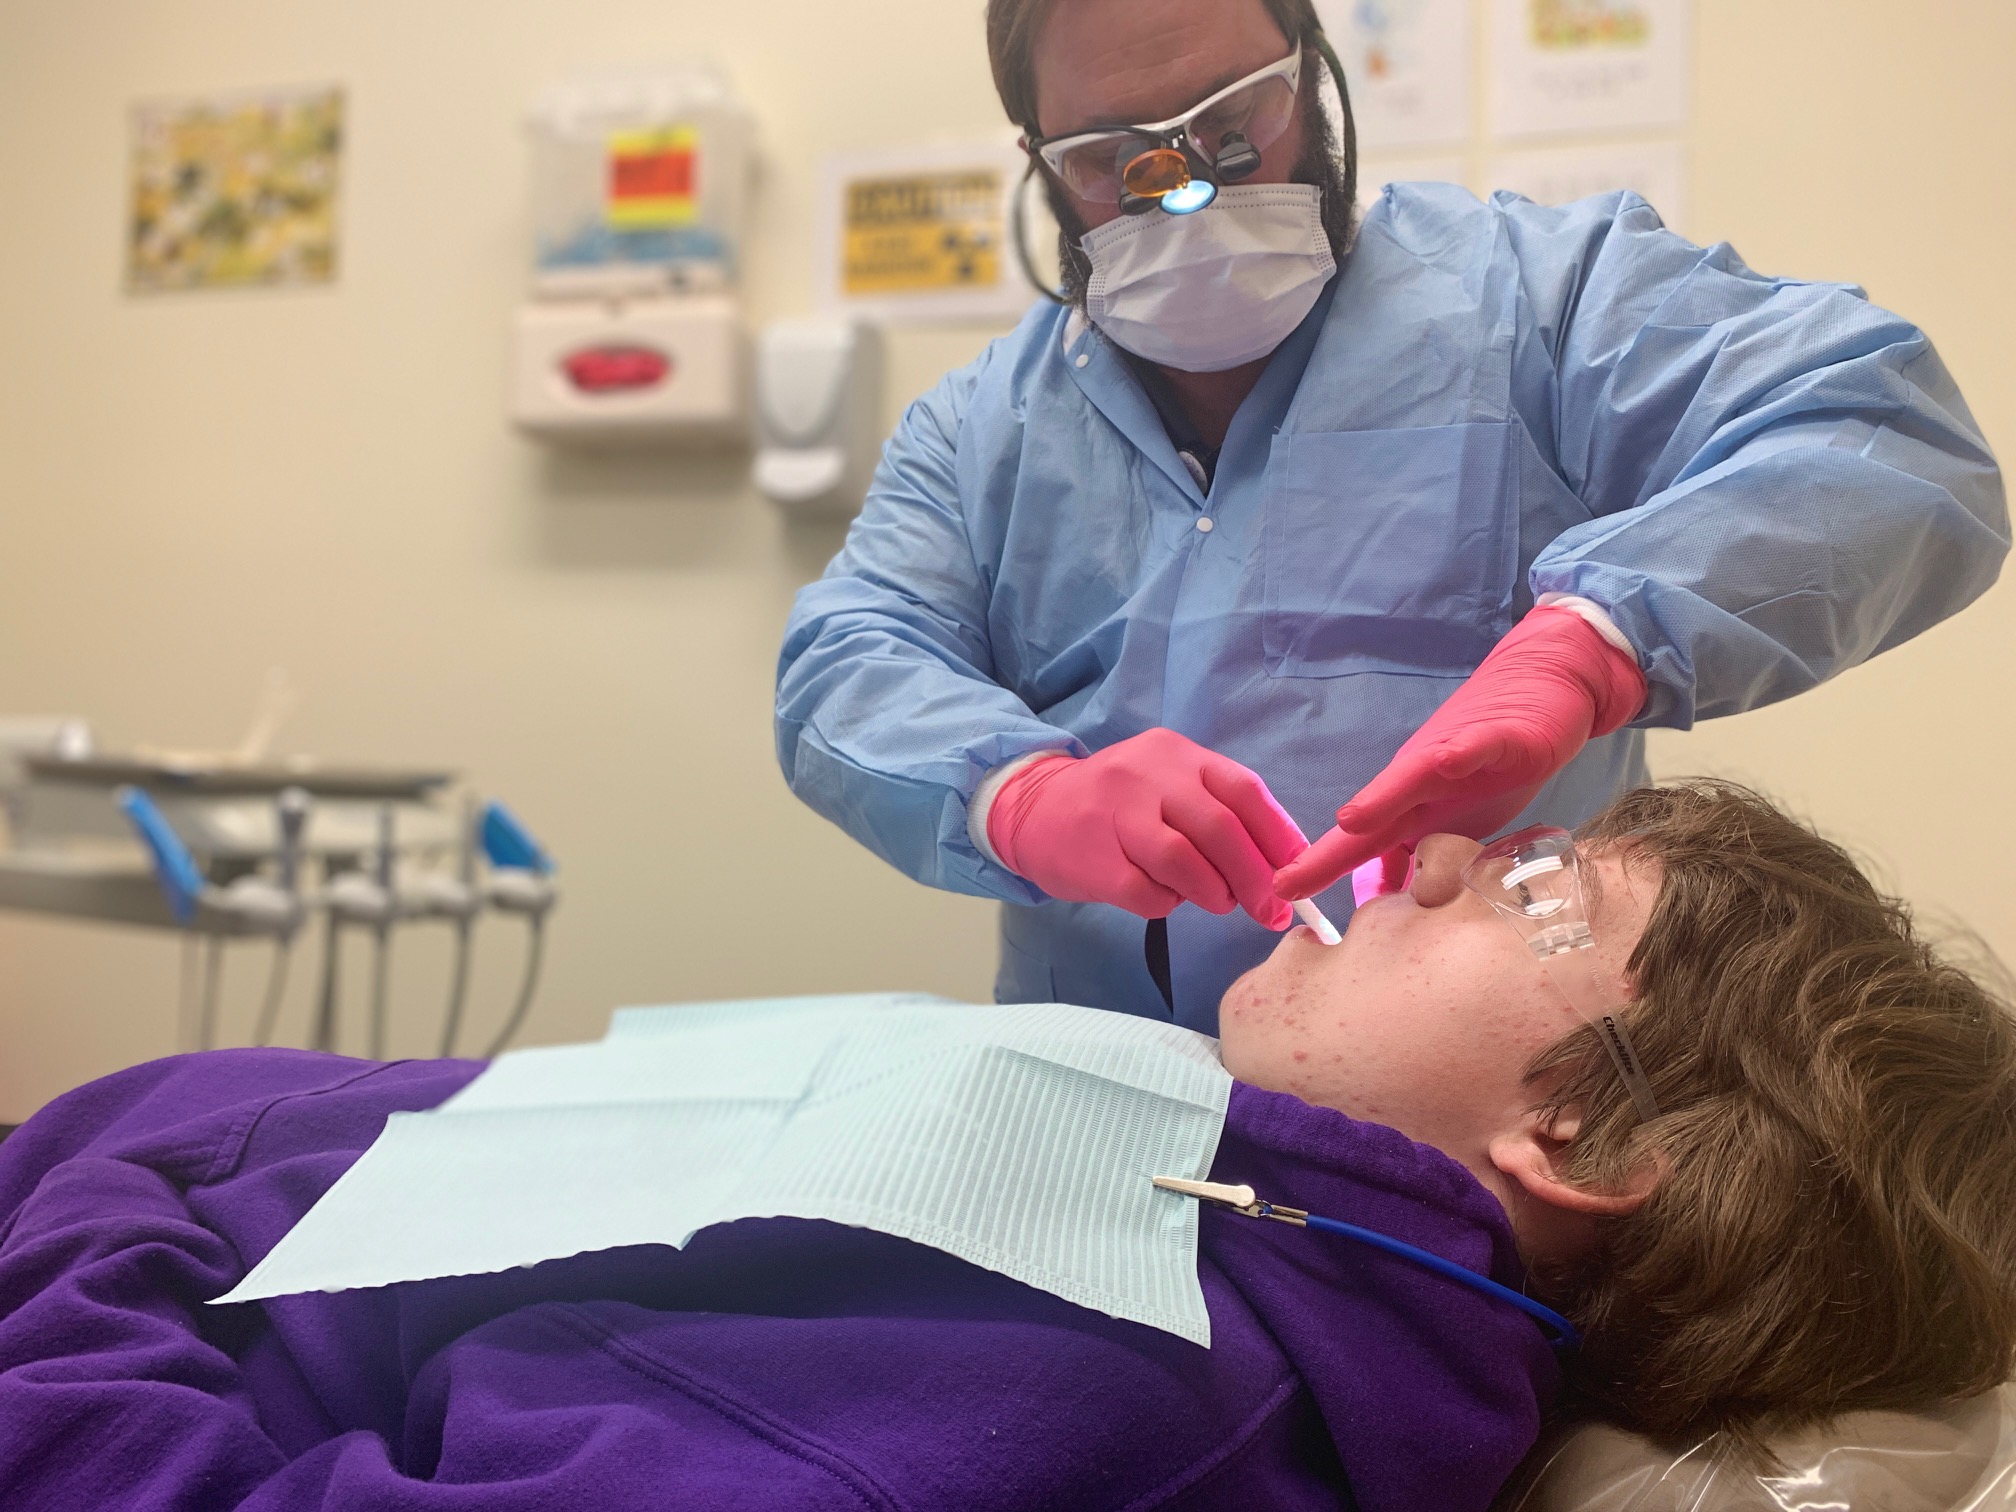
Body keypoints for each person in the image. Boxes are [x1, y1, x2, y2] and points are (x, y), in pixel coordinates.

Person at [1, 785, 2012, 1511]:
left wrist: (98, 1204)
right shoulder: (1220, 1206)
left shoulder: (1109, 1380)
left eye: (1545, 891)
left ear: (1581, 1136)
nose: (1460, 848)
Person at [774, 0, 2010, 1031]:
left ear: (1312, 79)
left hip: (1484, 1092)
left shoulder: (1537, 301)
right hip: (1103, 1092)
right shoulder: (980, 427)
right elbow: (848, 663)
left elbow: (1891, 438)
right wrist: (1020, 795)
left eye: (1230, 124)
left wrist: (1597, 644)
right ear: (1041, 168)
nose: (1189, 192)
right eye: (1117, 159)